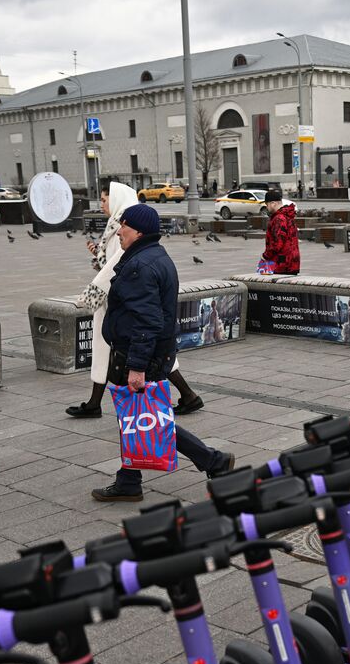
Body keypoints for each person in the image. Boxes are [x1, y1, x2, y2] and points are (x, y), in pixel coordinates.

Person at [92, 202, 233, 502]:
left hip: (139, 353)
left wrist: (136, 366)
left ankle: (211, 460)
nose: (119, 231)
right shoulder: (151, 255)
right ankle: (132, 477)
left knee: (145, 417)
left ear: (139, 230)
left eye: (125, 226)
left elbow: (147, 320)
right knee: (139, 416)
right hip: (151, 351)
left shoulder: (141, 266)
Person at [67, 180, 203, 417]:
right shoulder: (122, 226)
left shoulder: (132, 226)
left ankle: (100, 404)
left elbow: (118, 270)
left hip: (122, 305)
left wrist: (93, 292)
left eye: (104, 199)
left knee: (134, 373)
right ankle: (100, 403)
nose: (101, 204)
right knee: (134, 371)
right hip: (123, 304)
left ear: (116, 198)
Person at [261, 189, 300, 275]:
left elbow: (277, 243)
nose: (266, 207)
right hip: (291, 263)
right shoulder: (287, 216)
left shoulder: (279, 218)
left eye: (267, 205)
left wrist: (265, 256)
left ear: (273, 204)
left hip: (282, 264)